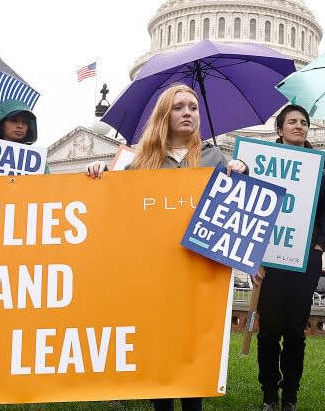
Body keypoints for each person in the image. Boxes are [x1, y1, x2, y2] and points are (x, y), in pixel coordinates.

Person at [86, 84, 247, 411]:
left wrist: (243, 170)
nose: (188, 112)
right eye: (179, 107)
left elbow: (241, 208)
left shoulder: (214, 158)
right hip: (156, 274)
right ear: (164, 115)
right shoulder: (142, 163)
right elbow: (116, 206)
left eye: (193, 107)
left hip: (197, 271)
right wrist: (101, 173)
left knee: (193, 354)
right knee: (159, 351)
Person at [252, 104, 325, 411]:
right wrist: (253, 254)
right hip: (269, 255)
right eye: (293, 122)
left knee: (295, 330)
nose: (299, 126)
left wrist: (321, 245)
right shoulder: (262, 162)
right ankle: (269, 394)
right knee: (270, 329)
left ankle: (290, 395)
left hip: (306, 255)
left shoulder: (321, 165)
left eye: (304, 122)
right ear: (280, 129)